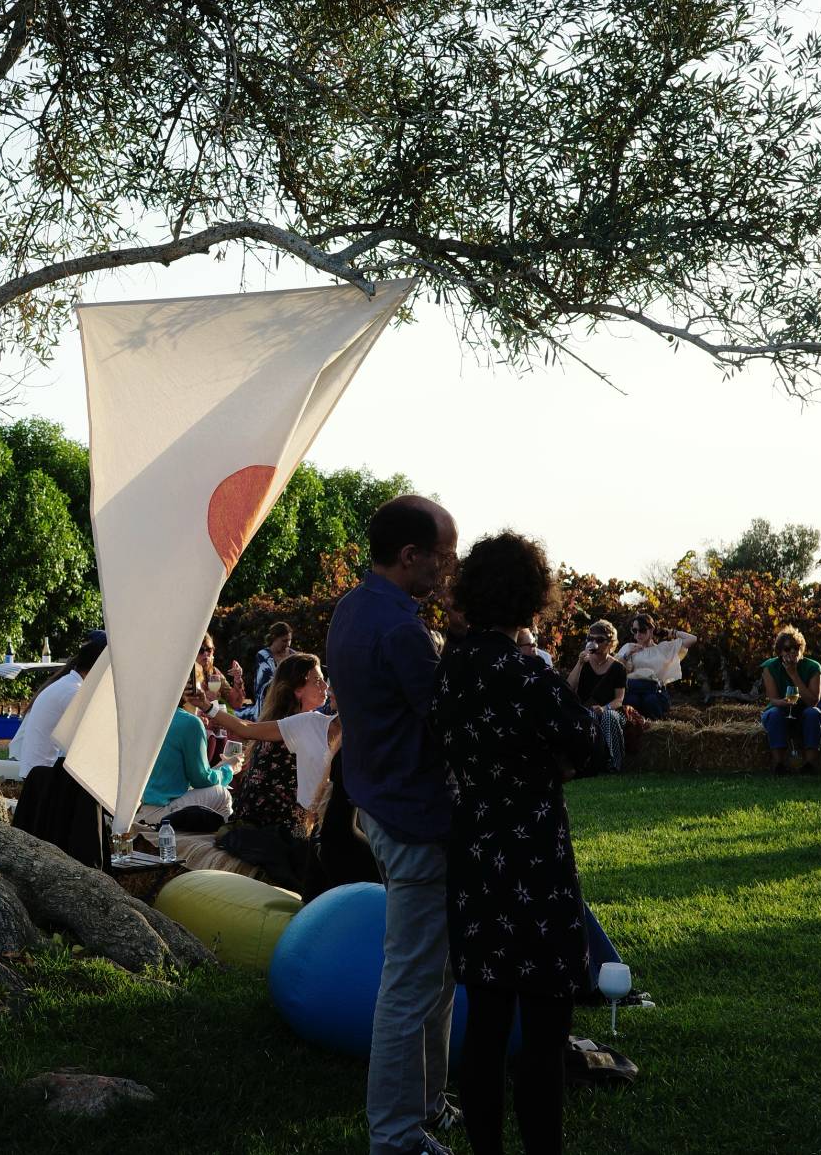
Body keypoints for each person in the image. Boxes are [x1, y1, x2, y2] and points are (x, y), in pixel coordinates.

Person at [434, 532, 599, 1155]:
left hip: (475, 844)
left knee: (486, 1019)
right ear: (532, 597)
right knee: (546, 1024)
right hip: (533, 848)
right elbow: (587, 740)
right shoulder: (527, 671)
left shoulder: (451, 668)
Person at [325, 494, 460, 1155]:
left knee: (435, 973)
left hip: (377, 805)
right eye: (444, 552)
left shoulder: (352, 609)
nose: (450, 564)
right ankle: (397, 1136)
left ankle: (427, 1104)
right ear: (410, 556)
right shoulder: (403, 630)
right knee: (412, 982)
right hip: (414, 817)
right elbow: (448, 722)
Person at [207, 652, 339, 889]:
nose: (325, 686)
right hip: (277, 821)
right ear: (298, 690)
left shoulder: (298, 722)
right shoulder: (300, 726)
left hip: (273, 817)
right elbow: (244, 729)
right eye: (317, 681)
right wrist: (208, 707)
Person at [135, 675, 237, 827]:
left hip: (132, 810)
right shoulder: (189, 722)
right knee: (222, 795)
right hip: (158, 812)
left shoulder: (138, 716)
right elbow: (200, 779)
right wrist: (228, 769)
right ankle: (218, 842)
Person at [7, 632, 104, 778]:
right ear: (98, 669)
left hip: (35, 773)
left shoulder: (66, 685)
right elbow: (89, 740)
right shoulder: (73, 692)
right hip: (43, 777)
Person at [759, 627, 821, 775]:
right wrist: (784, 703)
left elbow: (813, 701)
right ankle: (779, 765)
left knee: (813, 713)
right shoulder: (770, 667)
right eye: (787, 649)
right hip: (780, 709)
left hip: (804, 710)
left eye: (796, 648)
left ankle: (810, 765)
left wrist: (794, 674)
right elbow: (773, 699)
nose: (792, 652)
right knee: (775, 714)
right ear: (780, 652)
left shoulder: (813, 667)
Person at [565, 620, 627, 774]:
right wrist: (579, 664)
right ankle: (590, 764)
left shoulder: (618, 668)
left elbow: (619, 699)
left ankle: (614, 764)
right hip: (585, 709)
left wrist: (604, 708)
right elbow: (568, 688)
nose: (595, 644)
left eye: (599, 640)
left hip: (610, 710)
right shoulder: (584, 663)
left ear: (610, 643)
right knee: (588, 715)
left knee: (609, 717)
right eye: (590, 639)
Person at [616, 613, 695, 719]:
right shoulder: (629, 647)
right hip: (633, 689)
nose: (638, 634)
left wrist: (670, 632)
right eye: (634, 630)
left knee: (651, 701)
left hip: (654, 691)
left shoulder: (662, 649)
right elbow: (615, 669)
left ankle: (653, 728)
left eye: (642, 630)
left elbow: (692, 639)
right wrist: (628, 654)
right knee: (631, 702)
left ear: (651, 630)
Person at [251, 621, 295, 706]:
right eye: (284, 641)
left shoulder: (294, 655)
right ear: (274, 638)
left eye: (290, 640)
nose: (288, 644)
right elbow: (264, 683)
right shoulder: (264, 655)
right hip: (269, 702)